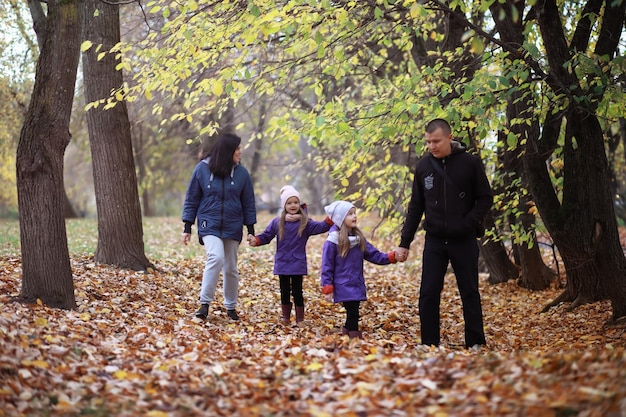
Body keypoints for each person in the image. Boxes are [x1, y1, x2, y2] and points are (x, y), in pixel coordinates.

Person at [396, 118, 493, 348]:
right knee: (428, 292)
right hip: (435, 240)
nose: (432, 146)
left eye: (437, 141)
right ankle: (429, 343)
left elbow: (485, 198)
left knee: (469, 291)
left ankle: (475, 342)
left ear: (449, 138)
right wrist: (404, 242)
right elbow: (415, 207)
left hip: (463, 239)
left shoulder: (470, 163)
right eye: (428, 142)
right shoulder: (423, 167)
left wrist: (468, 222)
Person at [182, 133, 257, 321]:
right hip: (209, 222)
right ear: (227, 151)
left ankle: (231, 307)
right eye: (237, 148)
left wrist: (251, 230)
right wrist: (187, 226)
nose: (240, 151)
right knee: (215, 256)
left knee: (231, 267)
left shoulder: (242, 173)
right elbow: (192, 198)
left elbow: (248, 202)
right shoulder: (202, 169)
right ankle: (204, 304)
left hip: (233, 225)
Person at [247, 185, 333, 327]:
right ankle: (285, 317)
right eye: (289, 203)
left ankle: (300, 319)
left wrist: (331, 218)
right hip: (282, 262)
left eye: (295, 202)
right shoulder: (277, 222)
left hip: (297, 263)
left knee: (298, 291)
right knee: (284, 291)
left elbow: (321, 227)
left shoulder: (305, 222)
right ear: (284, 205)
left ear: (299, 204)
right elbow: (266, 236)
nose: (293, 205)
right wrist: (255, 240)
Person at [321, 200, 397, 339]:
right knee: (353, 312)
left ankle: (347, 336)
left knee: (353, 312)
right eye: (349, 214)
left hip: (356, 282)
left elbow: (375, 255)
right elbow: (327, 265)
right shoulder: (333, 241)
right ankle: (354, 339)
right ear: (340, 218)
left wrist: (391, 257)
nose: (354, 216)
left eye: (354, 213)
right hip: (342, 283)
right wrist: (327, 285)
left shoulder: (359, 238)